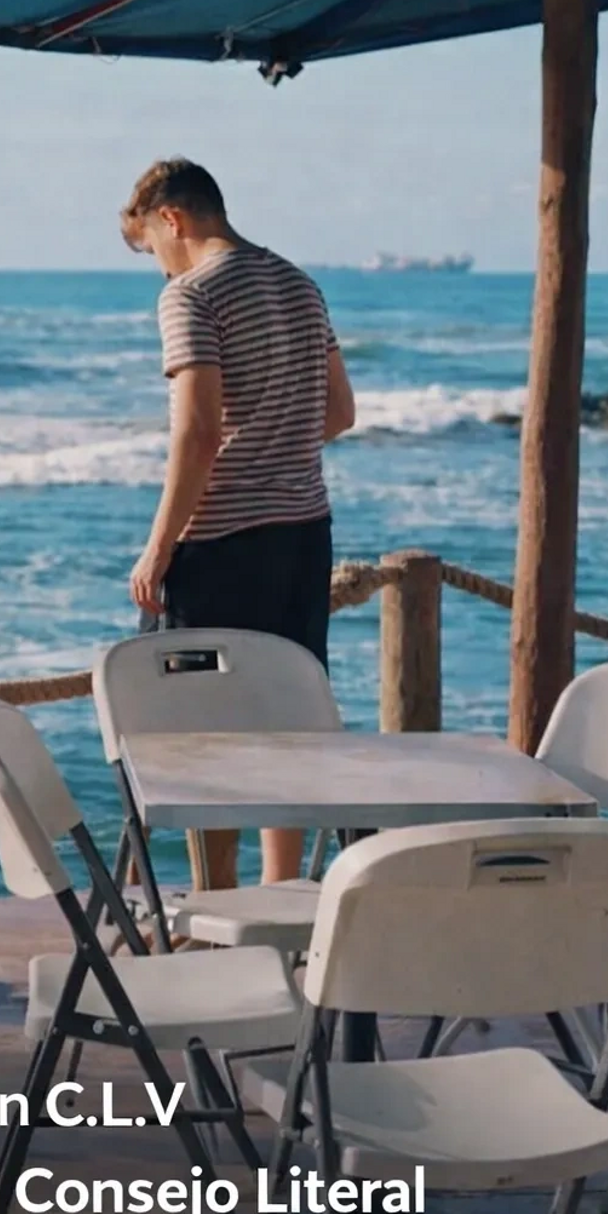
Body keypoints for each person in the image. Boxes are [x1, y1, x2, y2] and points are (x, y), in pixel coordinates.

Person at [120, 157, 355, 890]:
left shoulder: (190, 294)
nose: (155, 269)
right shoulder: (299, 282)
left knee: (205, 733)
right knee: (286, 718)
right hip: (303, 531)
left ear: (172, 219)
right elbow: (340, 412)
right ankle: (281, 897)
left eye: (149, 249)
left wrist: (159, 548)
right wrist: (278, 443)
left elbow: (196, 433)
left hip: (220, 541)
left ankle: (218, 910)